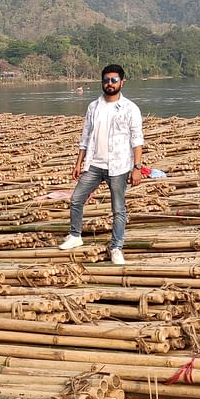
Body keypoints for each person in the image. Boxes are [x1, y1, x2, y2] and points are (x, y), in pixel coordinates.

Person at [58, 64, 144, 265]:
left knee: (118, 209)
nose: (110, 84)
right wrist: (78, 162)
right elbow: (85, 137)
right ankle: (75, 235)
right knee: (76, 198)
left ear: (122, 82)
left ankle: (116, 247)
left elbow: (137, 140)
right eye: (106, 80)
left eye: (114, 80)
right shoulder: (93, 107)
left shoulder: (130, 108)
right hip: (94, 164)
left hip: (119, 166)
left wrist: (137, 168)